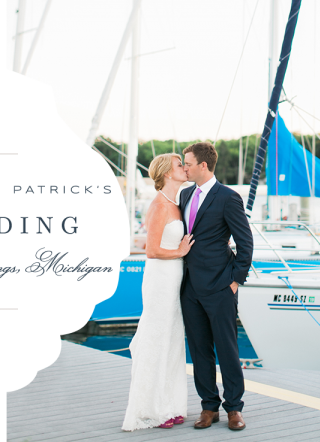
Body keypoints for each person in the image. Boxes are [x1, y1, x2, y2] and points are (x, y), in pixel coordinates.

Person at [178, 142, 253, 431]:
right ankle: (209, 406)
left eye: (188, 163)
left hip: (221, 286)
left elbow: (245, 243)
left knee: (227, 349)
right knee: (199, 350)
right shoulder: (185, 194)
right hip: (190, 288)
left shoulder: (227, 197)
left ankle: (234, 408)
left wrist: (235, 281)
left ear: (203, 166)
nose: (185, 167)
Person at [122, 153, 193, 431]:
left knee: (173, 340)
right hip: (160, 278)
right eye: (179, 165)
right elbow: (151, 250)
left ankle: (170, 406)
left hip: (175, 277)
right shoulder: (159, 206)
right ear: (166, 173)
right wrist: (180, 251)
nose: (184, 168)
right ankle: (149, 409)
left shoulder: (177, 204)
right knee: (156, 338)